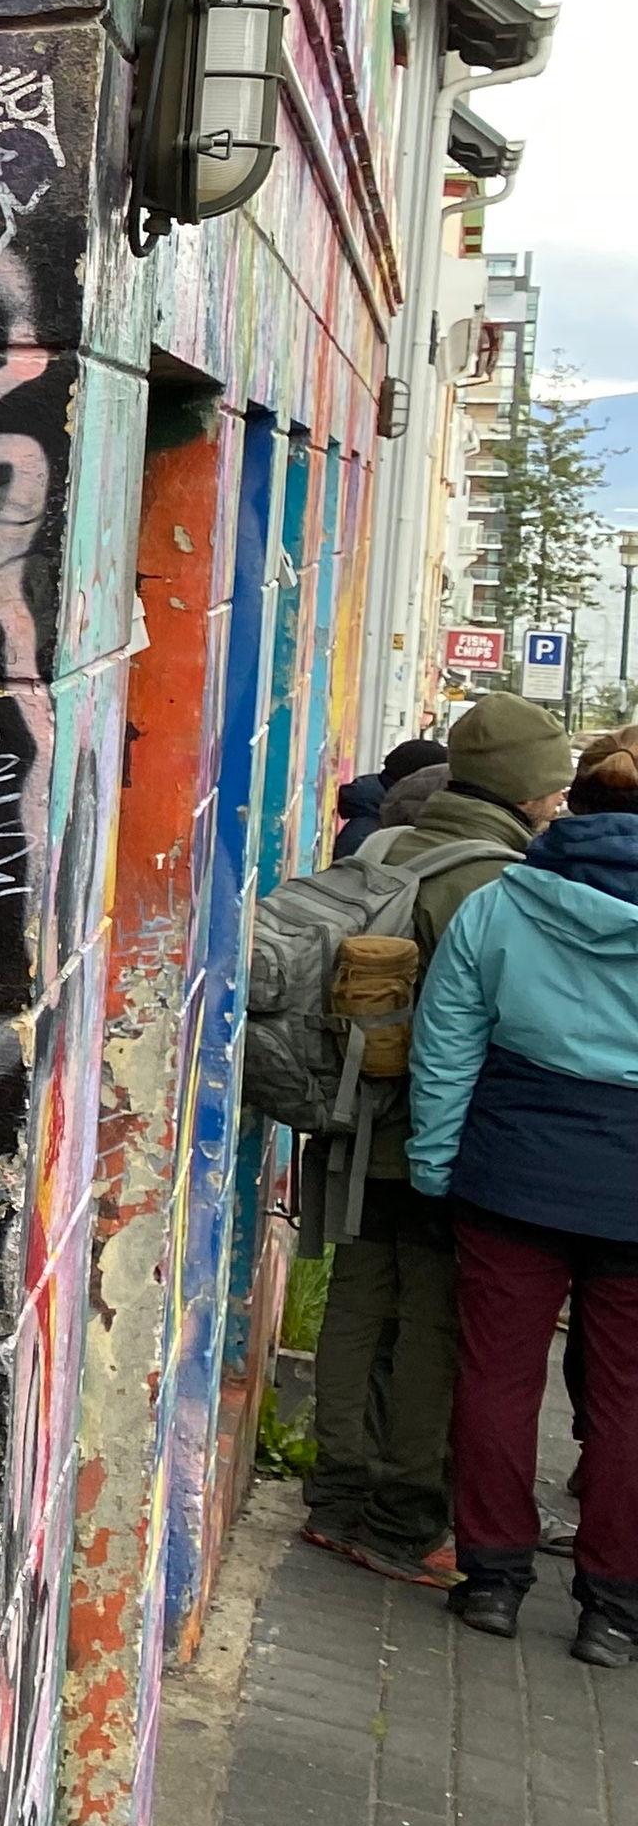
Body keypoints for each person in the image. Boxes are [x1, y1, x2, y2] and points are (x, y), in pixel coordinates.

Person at [303, 692, 573, 1582]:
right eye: (555, 787)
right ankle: (401, 1518)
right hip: (432, 1131)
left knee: (354, 1304)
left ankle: (334, 1498)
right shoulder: (498, 883)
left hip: (350, 1115)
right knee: (430, 1326)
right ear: (525, 790)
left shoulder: (388, 844)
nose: (560, 803)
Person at [414, 742, 638, 1660]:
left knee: (499, 1377)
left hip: (511, 1173)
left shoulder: (499, 906)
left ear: (568, 808)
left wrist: (436, 1165)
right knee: (629, 1400)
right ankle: (614, 1611)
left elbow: (447, 1047)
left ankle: (494, 1580)